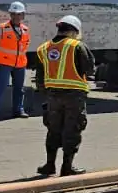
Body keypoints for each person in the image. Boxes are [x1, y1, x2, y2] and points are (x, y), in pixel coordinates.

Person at [34, 14, 95, 176]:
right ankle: (67, 167)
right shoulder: (77, 46)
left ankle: (49, 165)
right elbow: (89, 69)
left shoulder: (43, 48)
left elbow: (39, 77)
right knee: (72, 130)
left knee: (53, 130)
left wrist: (46, 93)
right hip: (74, 96)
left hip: (52, 96)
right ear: (74, 31)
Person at [0, 1, 30, 121]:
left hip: (20, 64)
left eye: (19, 14)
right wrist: (0, 57)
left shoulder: (25, 30)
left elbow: (24, 47)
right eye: (14, 14)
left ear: (23, 15)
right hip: (4, 64)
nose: (16, 16)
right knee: (0, 88)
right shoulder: (1, 28)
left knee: (19, 89)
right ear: (10, 14)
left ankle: (18, 110)